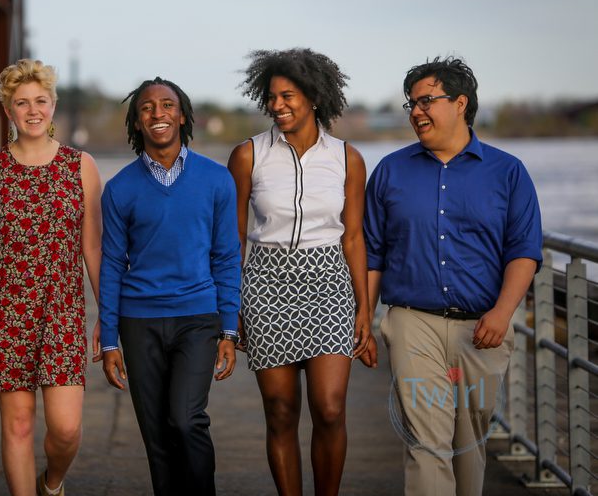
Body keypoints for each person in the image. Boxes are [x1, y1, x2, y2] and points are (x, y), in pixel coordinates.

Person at [364, 56, 542, 496]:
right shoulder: (390, 170)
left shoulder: (508, 172)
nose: (416, 112)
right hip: (412, 323)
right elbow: (372, 253)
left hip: (482, 329)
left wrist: (503, 313)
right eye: (411, 104)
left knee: (468, 446)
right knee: (427, 442)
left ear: (460, 103)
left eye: (426, 101)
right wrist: (363, 321)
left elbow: (523, 250)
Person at [226, 48, 371, 496]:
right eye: (271, 97)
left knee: (329, 407)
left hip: (329, 281)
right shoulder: (248, 156)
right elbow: (234, 239)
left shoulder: (348, 159)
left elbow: (353, 237)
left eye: (287, 96)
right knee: (281, 410)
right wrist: (231, 308)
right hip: (267, 282)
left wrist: (365, 308)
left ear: (314, 97)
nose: (276, 105)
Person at [0, 59, 102, 496]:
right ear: (8, 111)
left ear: (54, 105)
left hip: (61, 312)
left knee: (66, 429)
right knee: (18, 425)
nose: (32, 110)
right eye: (21, 103)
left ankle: (52, 483)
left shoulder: (81, 166)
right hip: (4, 312)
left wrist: (110, 317)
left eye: (40, 100)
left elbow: (93, 248)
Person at [98, 77, 241, 496]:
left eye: (166, 105)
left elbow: (227, 257)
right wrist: (109, 341)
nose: (157, 113)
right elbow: (111, 264)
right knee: (156, 436)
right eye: (147, 108)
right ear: (136, 121)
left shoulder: (216, 180)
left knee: (185, 418)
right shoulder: (120, 188)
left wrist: (229, 330)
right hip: (138, 321)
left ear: (182, 115)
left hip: (197, 318)